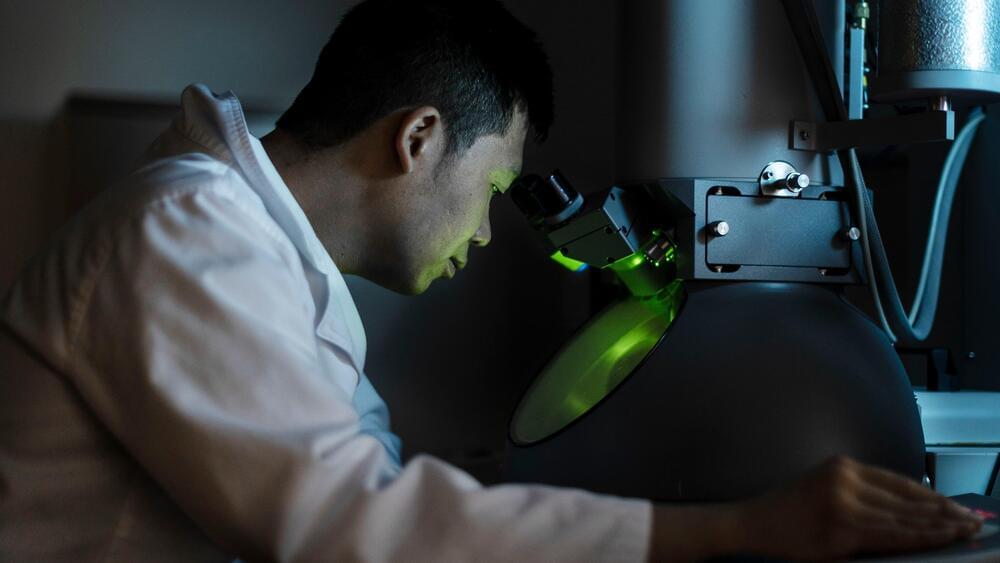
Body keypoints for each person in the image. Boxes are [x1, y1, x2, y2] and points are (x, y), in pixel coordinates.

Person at [0, 0, 983, 561]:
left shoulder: (259, 258)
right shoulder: (186, 228)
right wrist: (745, 525)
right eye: (493, 190)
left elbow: (382, 487)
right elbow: (348, 523)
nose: (481, 234)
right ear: (419, 137)